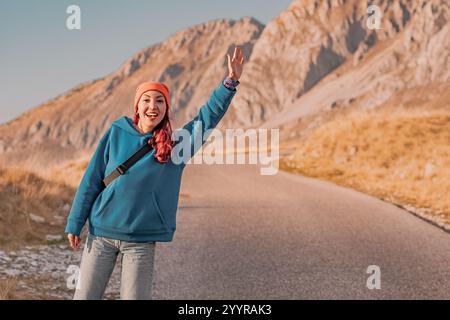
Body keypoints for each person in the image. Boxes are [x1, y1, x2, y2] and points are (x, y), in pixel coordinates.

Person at [64, 46, 245, 299]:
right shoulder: (117, 132)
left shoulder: (176, 146)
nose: (153, 105)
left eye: (159, 100)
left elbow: (207, 118)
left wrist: (230, 83)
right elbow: (92, 179)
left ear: (166, 109)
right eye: (146, 100)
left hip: (140, 242)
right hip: (101, 234)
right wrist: (75, 221)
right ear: (137, 107)